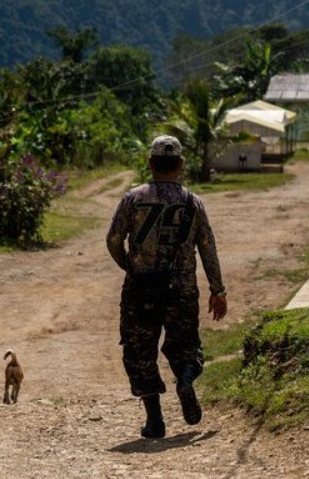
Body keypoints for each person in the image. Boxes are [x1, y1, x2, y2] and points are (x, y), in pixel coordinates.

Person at [106, 135, 228, 439]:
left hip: (141, 289)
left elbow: (112, 239)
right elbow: (208, 247)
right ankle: (185, 380)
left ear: (150, 163)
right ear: (181, 165)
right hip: (182, 288)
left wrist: (130, 266)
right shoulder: (193, 202)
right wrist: (218, 289)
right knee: (185, 347)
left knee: (140, 351)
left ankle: (155, 421)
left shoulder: (133, 198)